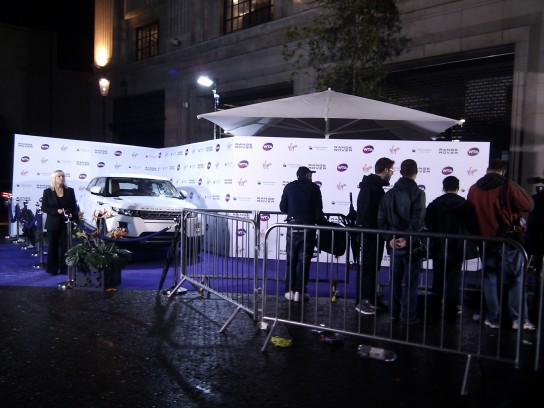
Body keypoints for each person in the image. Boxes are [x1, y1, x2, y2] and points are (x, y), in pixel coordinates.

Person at [467, 159, 535, 330]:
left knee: (490, 278)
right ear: (503, 171)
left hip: (485, 241)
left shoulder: (474, 188)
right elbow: (529, 205)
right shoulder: (508, 186)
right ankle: (518, 319)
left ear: (488, 169)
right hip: (508, 241)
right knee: (516, 279)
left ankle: (493, 318)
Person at [378, 159, 426, 324]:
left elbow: (381, 220)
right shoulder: (418, 193)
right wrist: (406, 239)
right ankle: (408, 316)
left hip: (394, 245)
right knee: (411, 283)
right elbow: (418, 221)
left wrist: (391, 239)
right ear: (416, 171)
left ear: (400, 172)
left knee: (395, 281)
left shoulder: (388, 194)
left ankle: (394, 314)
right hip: (411, 245)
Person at [425, 176, 479, 322]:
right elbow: (472, 226)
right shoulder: (466, 205)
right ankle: (451, 307)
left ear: (443, 187)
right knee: (454, 278)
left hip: (438, 247)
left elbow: (428, 224)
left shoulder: (434, 204)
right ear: (457, 187)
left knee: (437, 278)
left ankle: (435, 306)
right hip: (458, 247)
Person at [354, 157, 395, 315]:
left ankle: (371, 298)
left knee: (373, 267)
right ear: (385, 170)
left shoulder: (374, 186)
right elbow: (365, 213)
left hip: (374, 234)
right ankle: (362, 301)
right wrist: (373, 230)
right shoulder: (370, 187)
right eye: (391, 170)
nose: (392, 174)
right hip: (370, 234)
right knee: (367, 267)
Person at [279, 166, 325, 302]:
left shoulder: (289, 187)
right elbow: (319, 209)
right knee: (304, 262)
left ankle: (289, 291)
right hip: (308, 228)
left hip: (292, 227)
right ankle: (300, 292)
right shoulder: (314, 188)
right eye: (311, 174)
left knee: (291, 261)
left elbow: (282, 208)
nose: (312, 176)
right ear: (307, 175)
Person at [41, 170, 81, 275]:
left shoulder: (70, 191)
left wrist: (76, 220)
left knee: (65, 247)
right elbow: (44, 207)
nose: (61, 178)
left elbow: (74, 207)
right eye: (59, 176)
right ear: (54, 178)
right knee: (52, 247)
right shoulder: (47, 192)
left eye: (63, 176)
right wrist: (56, 211)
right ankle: (52, 269)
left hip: (66, 224)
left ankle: (64, 269)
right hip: (52, 223)